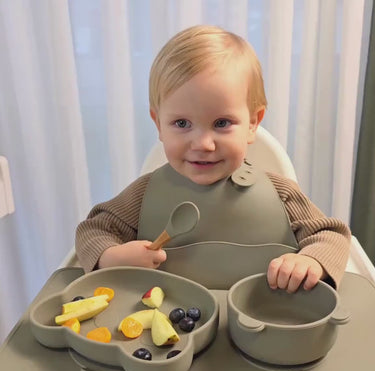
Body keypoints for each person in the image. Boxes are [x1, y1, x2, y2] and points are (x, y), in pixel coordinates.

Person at [75, 25, 351, 293]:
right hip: (168, 328)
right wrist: (111, 257)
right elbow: (93, 230)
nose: (203, 144)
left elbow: (331, 235)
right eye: (182, 123)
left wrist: (310, 261)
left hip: (260, 321)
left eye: (221, 122)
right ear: (158, 124)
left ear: (253, 123)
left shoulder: (281, 194)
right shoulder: (143, 195)